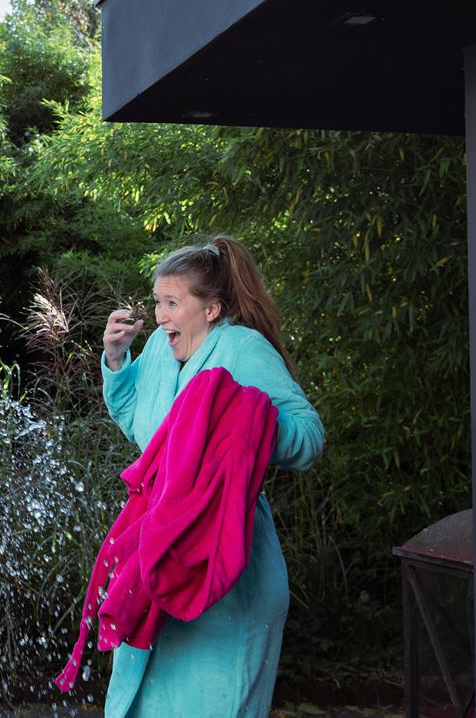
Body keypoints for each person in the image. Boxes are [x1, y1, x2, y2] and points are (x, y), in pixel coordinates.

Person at [95, 235, 324, 718]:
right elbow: (139, 422)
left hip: (228, 563)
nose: (160, 316)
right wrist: (117, 363)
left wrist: (241, 422)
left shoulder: (243, 350)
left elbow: (308, 437)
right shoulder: (158, 348)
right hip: (158, 550)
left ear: (213, 308)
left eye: (173, 303)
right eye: (158, 302)